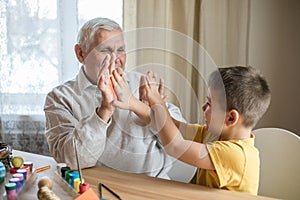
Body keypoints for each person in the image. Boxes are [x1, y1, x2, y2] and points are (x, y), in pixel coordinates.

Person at [43, 17, 184, 179]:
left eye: (121, 50)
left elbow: (180, 143)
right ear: (81, 54)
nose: (116, 59)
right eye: (105, 50)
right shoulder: (60, 98)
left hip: (154, 185)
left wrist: (148, 113)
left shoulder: (143, 84)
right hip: (96, 188)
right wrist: (104, 110)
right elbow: (73, 160)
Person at [110, 66, 271, 195]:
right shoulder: (213, 136)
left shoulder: (236, 155)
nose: (203, 107)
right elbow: (168, 125)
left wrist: (158, 103)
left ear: (231, 118)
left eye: (209, 104)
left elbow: (175, 146)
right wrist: (132, 102)